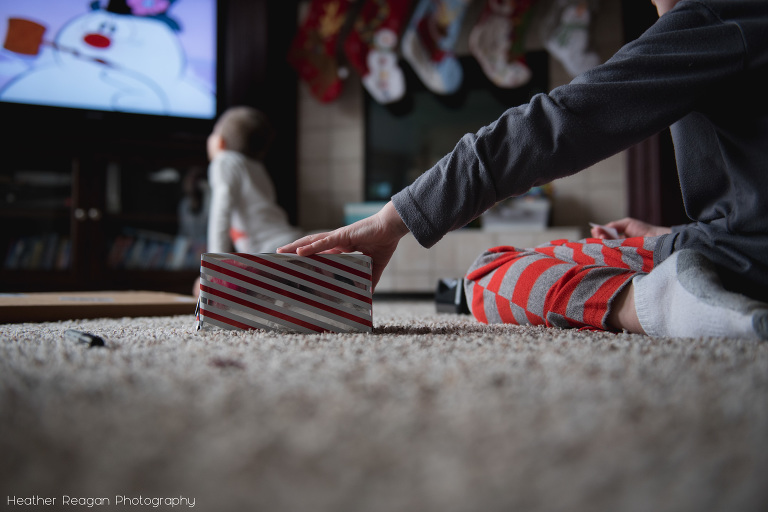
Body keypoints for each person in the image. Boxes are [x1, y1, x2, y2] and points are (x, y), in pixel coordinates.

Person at [279, 0, 768, 341]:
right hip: (734, 244)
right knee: (566, 253)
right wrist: (669, 232)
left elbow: (556, 124)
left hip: (743, 263)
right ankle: (680, 285)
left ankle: (659, 305)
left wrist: (394, 220)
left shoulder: (719, 15)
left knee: (489, 272)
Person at [194, 106, 302, 297]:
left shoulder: (224, 160)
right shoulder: (256, 167)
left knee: (206, 289)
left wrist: (214, 268)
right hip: (287, 242)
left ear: (219, 142)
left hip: (267, 252)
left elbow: (221, 212)